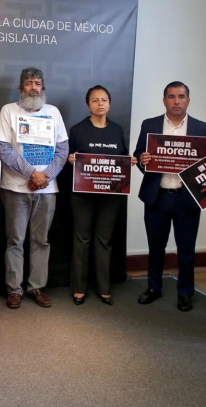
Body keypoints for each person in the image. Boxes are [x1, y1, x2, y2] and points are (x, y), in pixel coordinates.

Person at [133, 81, 206, 312]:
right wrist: (143, 160)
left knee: (186, 248)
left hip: (186, 198)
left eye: (181, 96)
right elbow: (138, 154)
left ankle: (185, 292)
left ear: (188, 100)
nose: (176, 101)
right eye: (171, 97)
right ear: (164, 100)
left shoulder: (202, 128)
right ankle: (153, 287)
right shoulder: (150, 124)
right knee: (155, 246)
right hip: (157, 195)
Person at [0, 67, 68, 309]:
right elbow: (4, 149)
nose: (33, 87)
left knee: (41, 240)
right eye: (28, 83)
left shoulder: (53, 112)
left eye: (37, 83)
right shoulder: (8, 111)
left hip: (46, 189)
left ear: (43, 87)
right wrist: (31, 173)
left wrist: (45, 176)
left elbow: (63, 149)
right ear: (20, 88)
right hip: (16, 189)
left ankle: (36, 287)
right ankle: (14, 290)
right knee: (15, 241)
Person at [67, 85, 136, 306]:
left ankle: (104, 287)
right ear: (88, 105)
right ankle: (79, 288)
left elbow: (122, 158)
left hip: (110, 195)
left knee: (104, 240)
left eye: (104, 100)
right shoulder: (77, 130)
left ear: (110, 104)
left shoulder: (117, 130)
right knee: (82, 239)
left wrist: (130, 162)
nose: (100, 104)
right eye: (95, 100)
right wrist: (70, 160)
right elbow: (68, 158)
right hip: (82, 195)